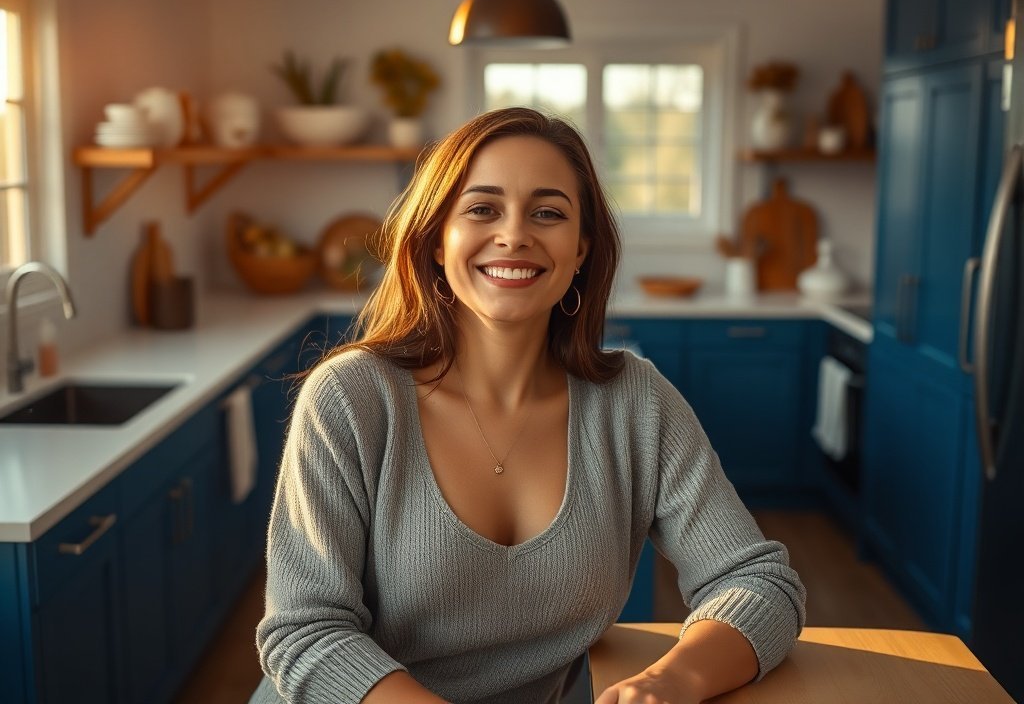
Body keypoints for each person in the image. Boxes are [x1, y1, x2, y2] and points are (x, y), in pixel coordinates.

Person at [250, 107, 806, 704]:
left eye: (548, 213)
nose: (515, 235)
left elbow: (759, 582)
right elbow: (306, 631)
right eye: (482, 209)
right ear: (438, 239)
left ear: (582, 248)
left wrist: (670, 682)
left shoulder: (635, 404)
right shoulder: (351, 400)